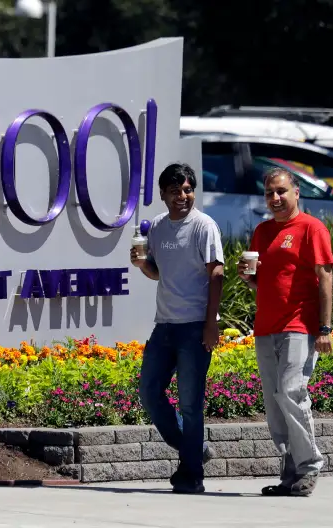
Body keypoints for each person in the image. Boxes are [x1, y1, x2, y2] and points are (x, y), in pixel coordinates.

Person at [237, 167, 333, 497]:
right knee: (275, 403)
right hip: (266, 327)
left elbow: (324, 278)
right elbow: (264, 281)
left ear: (296, 192)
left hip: (299, 326)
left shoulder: (311, 228)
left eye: (281, 191)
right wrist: (249, 279)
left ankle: (309, 466)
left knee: (292, 392)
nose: (275, 198)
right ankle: (291, 470)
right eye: (269, 193)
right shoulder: (263, 232)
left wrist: (324, 328)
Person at [131, 162, 224, 494]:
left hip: (194, 327)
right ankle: (195, 450)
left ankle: (192, 474)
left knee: (190, 403)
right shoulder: (156, 227)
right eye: (175, 191)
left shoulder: (204, 226)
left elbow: (216, 274)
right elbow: (159, 272)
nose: (183, 196)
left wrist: (211, 323)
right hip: (165, 325)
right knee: (149, 393)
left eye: (187, 190)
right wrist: (143, 264)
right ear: (163, 195)